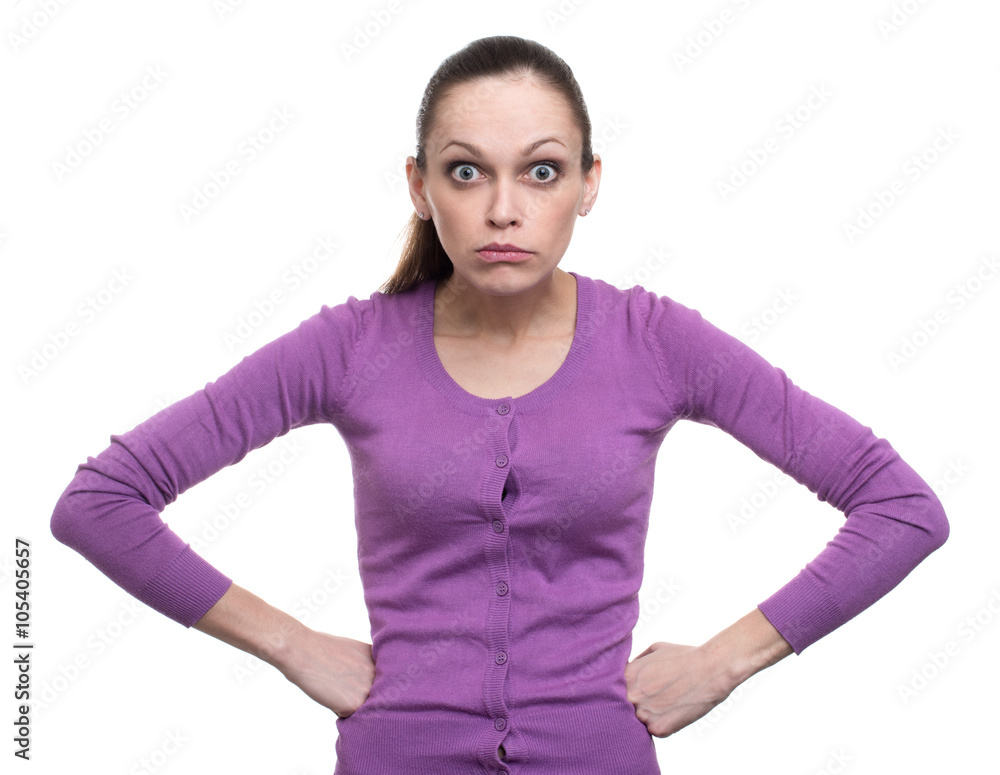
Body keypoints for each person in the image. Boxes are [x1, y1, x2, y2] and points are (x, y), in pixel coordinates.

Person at [50, 35, 949, 775]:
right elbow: (99, 501)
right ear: (419, 186)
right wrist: (290, 642)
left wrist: (725, 661)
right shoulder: (350, 346)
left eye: (542, 171)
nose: (504, 209)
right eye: (468, 172)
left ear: (590, 183)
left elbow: (901, 507)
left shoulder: (656, 341)